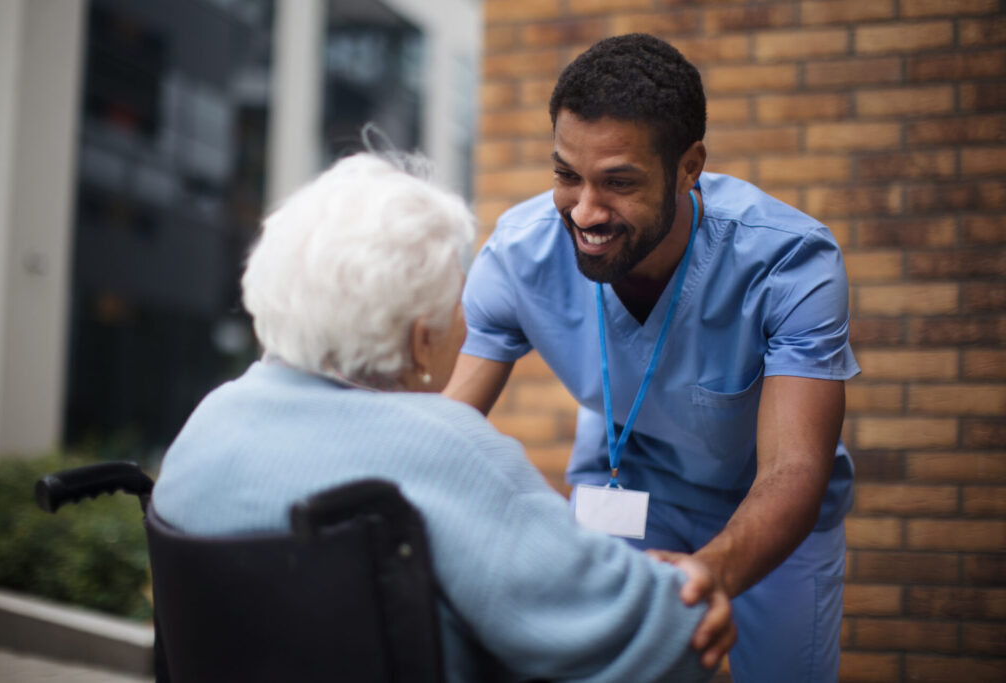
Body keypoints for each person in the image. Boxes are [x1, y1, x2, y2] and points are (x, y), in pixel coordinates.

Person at [152, 152, 734, 682]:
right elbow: (660, 636)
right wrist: (686, 591)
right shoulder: (441, 448)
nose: (467, 317)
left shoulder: (208, 423)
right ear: (419, 340)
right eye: (460, 297)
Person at [446, 34, 859, 682]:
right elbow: (447, 425)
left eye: (618, 182)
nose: (584, 210)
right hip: (627, 485)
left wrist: (711, 571)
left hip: (770, 505)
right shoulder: (518, 256)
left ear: (689, 166)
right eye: (565, 175)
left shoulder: (791, 261)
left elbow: (794, 465)